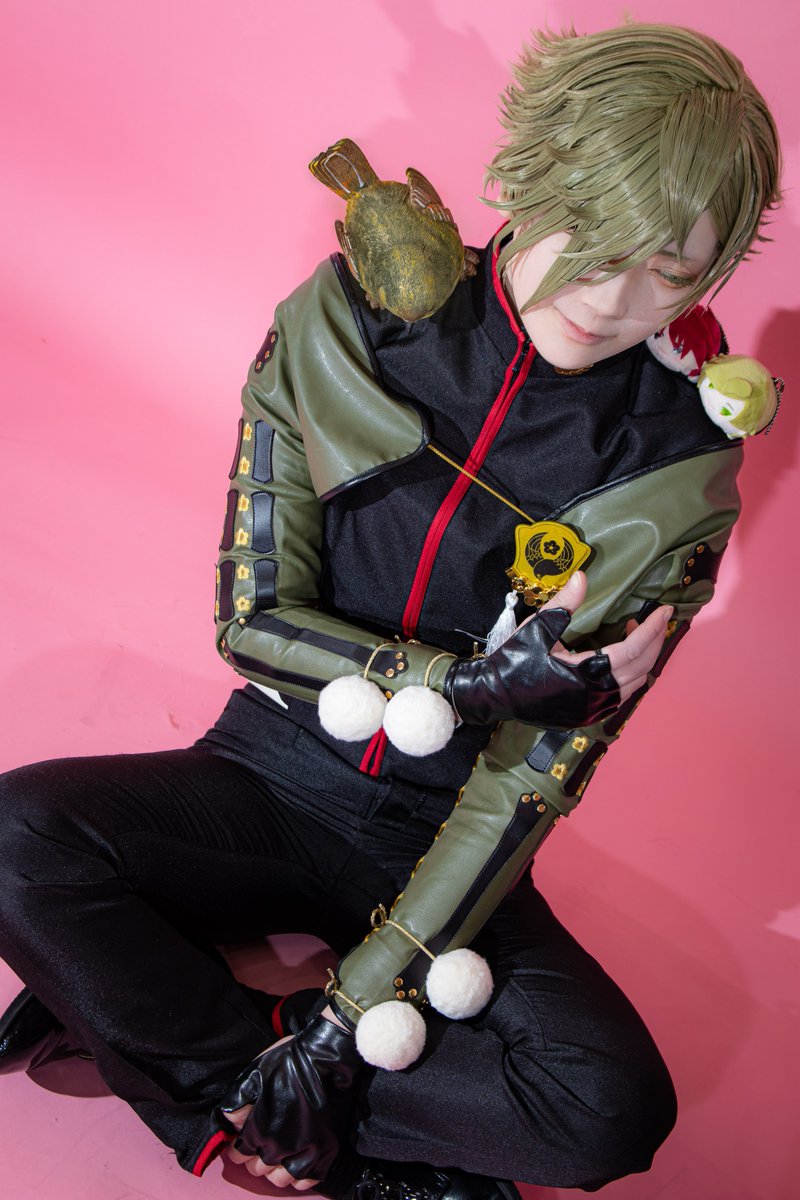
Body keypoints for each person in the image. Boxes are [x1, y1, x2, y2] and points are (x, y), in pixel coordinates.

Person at [0, 21, 781, 1200]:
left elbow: (526, 782)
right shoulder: (348, 322)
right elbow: (253, 618)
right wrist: (458, 686)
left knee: (608, 1109)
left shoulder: (677, 468)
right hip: (265, 775)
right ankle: (319, 1147)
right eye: (590, 237)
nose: (610, 296)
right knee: (14, 836)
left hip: (451, 835)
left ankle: (194, 1041)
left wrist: (331, 1027)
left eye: (668, 273)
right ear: (526, 174)